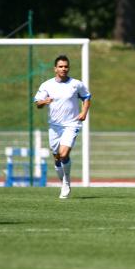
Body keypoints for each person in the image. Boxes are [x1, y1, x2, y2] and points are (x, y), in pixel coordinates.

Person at [34, 55, 91, 199]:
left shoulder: (76, 84)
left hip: (71, 124)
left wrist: (84, 112)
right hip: (54, 126)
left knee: (64, 154)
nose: (63, 69)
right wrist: (44, 101)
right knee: (57, 157)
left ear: (68, 68)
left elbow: (86, 97)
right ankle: (63, 182)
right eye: (60, 66)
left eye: (66, 66)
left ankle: (66, 182)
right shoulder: (47, 85)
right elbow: (38, 104)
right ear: (55, 69)